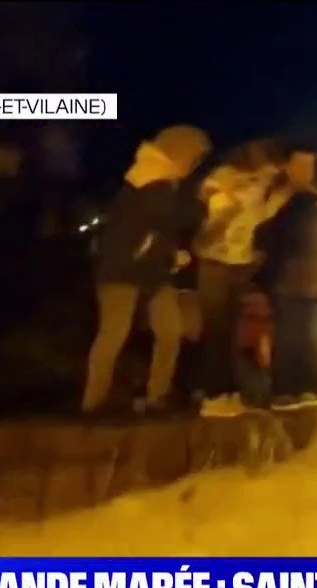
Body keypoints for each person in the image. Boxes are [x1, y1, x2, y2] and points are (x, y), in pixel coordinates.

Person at [81, 125, 210, 415]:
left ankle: (157, 397)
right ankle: (94, 402)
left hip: (152, 271)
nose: (194, 164)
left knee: (169, 330)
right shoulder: (153, 181)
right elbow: (172, 219)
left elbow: (155, 229)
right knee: (115, 333)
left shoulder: (161, 181)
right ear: (181, 153)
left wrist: (169, 253)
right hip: (123, 270)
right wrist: (204, 203)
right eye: (195, 157)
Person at [194, 139, 281, 416]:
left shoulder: (261, 191)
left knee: (231, 332)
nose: (272, 176)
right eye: (270, 169)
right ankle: (213, 395)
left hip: (238, 265)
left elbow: (258, 219)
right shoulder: (225, 180)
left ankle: (229, 393)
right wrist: (228, 208)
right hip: (215, 263)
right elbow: (211, 223)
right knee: (216, 331)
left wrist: (254, 256)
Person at [255, 145, 317, 405]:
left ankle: (308, 388)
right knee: (288, 336)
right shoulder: (278, 197)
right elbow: (263, 237)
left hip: (316, 280)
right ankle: (283, 390)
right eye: (300, 164)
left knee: (312, 338)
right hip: (286, 278)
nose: (306, 171)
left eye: (310, 165)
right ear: (288, 167)